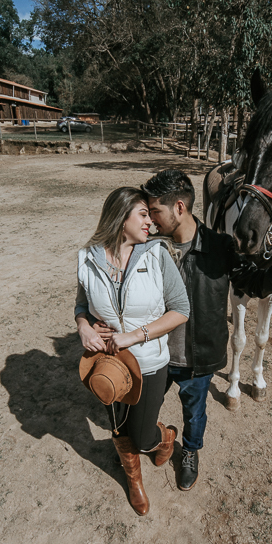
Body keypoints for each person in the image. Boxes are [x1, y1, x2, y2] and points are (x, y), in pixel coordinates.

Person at [143, 169, 272, 490]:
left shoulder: (221, 247)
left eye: (155, 211)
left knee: (195, 414)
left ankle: (190, 451)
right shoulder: (149, 247)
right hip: (156, 355)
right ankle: (161, 437)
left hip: (198, 359)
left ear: (179, 207)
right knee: (142, 414)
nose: (150, 219)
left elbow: (257, 285)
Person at [74, 187, 190, 516]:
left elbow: (181, 310)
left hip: (150, 361)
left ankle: (165, 437)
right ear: (121, 216)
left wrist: (134, 336)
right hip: (108, 364)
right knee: (117, 426)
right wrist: (83, 327)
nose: (151, 222)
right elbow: (81, 306)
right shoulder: (87, 258)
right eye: (143, 214)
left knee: (141, 436)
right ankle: (133, 480)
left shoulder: (157, 256)